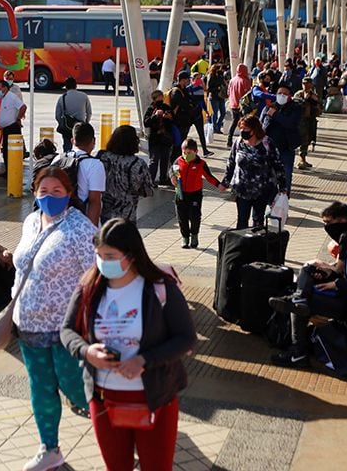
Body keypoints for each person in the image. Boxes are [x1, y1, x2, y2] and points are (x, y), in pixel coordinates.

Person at [61, 218, 197, 471]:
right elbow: (67, 331)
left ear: (131, 255)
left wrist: (145, 360)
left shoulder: (160, 287)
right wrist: (86, 351)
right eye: (99, 255)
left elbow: (186, 337)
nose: (103, 262)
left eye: (110, 255)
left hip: (155, 398)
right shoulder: (89, 286)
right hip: (104, 398)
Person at [13, 167, 96, 471]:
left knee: (75, 386)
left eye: (57, 192)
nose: (49, 197)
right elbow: (21, 269)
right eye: (43, 192)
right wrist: (12, 309)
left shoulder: (79, 228)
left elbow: (94, 278)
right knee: (42, 388)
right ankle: (50, 448)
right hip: (29, 324)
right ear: (34, 193)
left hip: (65, 328)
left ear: (69, 193)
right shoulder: (31, 222)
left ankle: (120, 435)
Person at [269, 206, 347, 368]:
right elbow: (344, 272)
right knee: (309, 272)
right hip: (344, 293)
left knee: (299, 307)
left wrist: (334, 283)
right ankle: (298, 298)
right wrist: (325, 274)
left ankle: (298, 353)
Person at [222, 116, 286, 229]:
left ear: (254, 129)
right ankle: (242, 246)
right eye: (241, 129)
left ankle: (256, 245)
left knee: (258, 221)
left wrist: (283, 186)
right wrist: (225, 182)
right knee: (242, 220)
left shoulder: (267, 143)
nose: (243, 132)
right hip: (242, 190)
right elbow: (231, 162)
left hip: (262, 190)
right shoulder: (238, 142)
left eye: (246, 129)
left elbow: (278, 165)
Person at [170, 138, 223, 249]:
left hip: (195, 194)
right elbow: (173, 171)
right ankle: (185, 237)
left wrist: (219, 185)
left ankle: (194, 235)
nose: (186, 155)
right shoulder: (178, 161)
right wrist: (172, 177)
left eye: (189, 153)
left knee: (194, 216)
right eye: (184, 152)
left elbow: (209, 177)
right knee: (182, 217)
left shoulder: (201, 164)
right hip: (180, 193)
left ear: (196, 152)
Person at [97, 125, 154, 225]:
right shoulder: (137, 163)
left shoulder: (103, 158)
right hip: (127, 216)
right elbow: (148, 191)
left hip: (105, 214)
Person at [54, 122, 106, 227]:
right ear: (94, 141)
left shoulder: (59, 159)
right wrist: (92, 233)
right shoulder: (95, 165)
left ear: (72, 140)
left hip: (59, 222)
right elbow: (94, 201)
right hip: (82, 222)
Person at [260, 85, 302, 192]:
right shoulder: (269, 107)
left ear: (290, 96)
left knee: (285, 178)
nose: (281, 96)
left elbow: (290, 123)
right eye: (279, 93)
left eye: (284, 94)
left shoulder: (295, 108)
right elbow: (261, 126)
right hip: (269, 150)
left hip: (286, 149)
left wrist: (275, 115)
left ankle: (283, 201)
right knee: (268, 179)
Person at [0, 79, 27, 177]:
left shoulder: (12, 97)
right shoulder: (3, 97)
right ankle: (7, 171)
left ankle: (13, 171)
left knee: (11, 151)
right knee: (5, 151)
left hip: (12, 127)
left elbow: (23, 107)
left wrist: (18, 118)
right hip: (6, 128)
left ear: (5, 88)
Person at [143, 90, 174, 187]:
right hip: (155, 139)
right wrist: (155, 116)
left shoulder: (166, 107)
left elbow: (173, 119)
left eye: (161, 97)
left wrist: (168, 117)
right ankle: (150, 180)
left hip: (165, 138)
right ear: (154, 99)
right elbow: (146, 122)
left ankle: (163, 178)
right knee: (154, 160)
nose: (161, 99)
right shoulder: (150, 109)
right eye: (159, 98)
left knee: (165, 159)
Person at [54, 77, 92, 153]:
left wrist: (62, 123)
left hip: (67, 127)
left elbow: (57, 115)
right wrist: (86, 122)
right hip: (80, 126)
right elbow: (89, 112)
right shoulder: (84, 96)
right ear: (76, 86)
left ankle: (68, 160)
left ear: (66, 87)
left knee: (67, 146)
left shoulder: (62, 98)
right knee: (81, 146)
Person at [293, 77, 322, 170]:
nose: (306, 86)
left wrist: (315, 100)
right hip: (301, 121)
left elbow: (319, 105)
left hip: (311, 120)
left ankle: (304, 159)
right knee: (303, 140)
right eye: (304, 84)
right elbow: (296, 105)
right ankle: (301, 159)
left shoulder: (313, 94)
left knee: (309, 139)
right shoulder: (298, 94)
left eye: (308, 84)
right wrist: (305, 99)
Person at [227, 63, 253, 147]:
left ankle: (229, 139)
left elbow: (228, 92)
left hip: (233, 104)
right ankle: (243, 140)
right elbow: (248, 94)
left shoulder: (232, 80)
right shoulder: (245, 80)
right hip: (243, 105)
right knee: (244, 123)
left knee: (234, 122)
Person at [207, 64, 228, 133]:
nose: (221, 70)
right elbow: (209, 88)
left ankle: (218, 126)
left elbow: (224, 84)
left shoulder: (221, 76)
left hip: (220, 96)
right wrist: (217, 88)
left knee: (223, 112)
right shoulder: (211, 76)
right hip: (214, 97)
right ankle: (215, 127)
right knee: (215, 113)